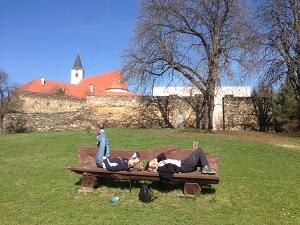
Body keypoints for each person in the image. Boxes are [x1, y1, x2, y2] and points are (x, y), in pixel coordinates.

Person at [145, 148, 216, 182]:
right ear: (153, 168)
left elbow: (162, 154)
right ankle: (205, 168)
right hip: (185, 166)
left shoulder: (160, 162)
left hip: (184, 163)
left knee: (198, 154)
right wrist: (167, 163)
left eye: (153, 162)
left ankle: (204, 167)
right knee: (199, 151)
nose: (155, 163)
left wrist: (155, 158)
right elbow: (171, 171)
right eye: (153, 165)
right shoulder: (160, 168)